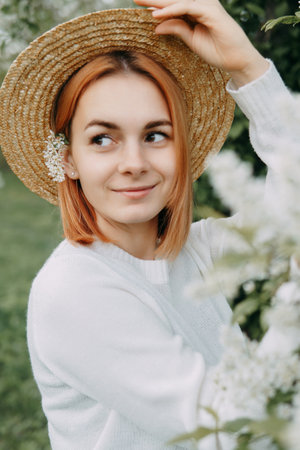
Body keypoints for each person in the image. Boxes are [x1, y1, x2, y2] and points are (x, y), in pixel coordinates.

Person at [0, 1, 294, 449]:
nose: (134, 163)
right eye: (103, 139)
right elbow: (229, 428)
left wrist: (247, 65)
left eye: (155, 135)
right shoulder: (75, 292)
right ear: (68, 158)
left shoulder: (194, 253)